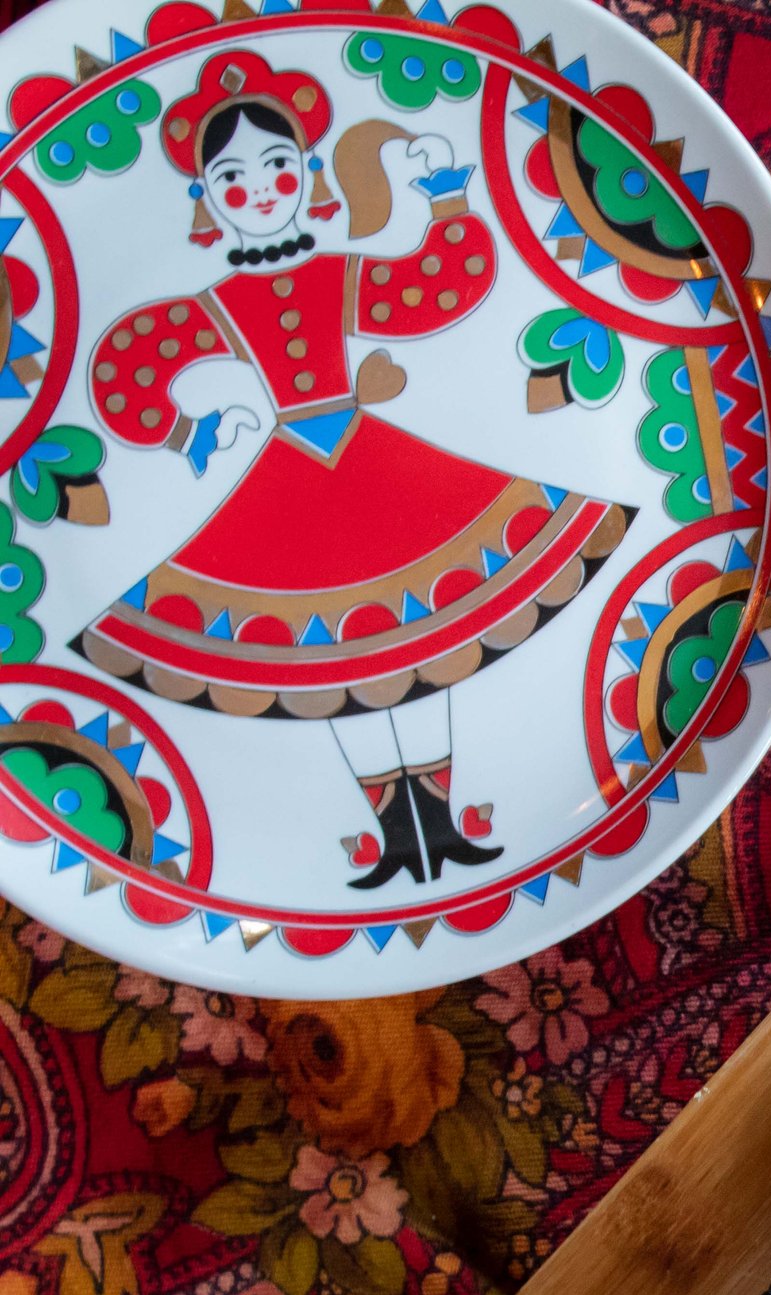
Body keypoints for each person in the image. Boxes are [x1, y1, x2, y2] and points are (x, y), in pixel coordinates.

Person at [79, 49, 633, 888]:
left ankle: (439, 823)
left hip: (372, 466)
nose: (259, 190)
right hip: (289, 480)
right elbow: (129, 369)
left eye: (275, 167)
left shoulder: (334, 272)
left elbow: (435, 287)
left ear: (307, 173)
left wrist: (446, 195)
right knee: (328, 662)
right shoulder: (215, 306)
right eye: (232, 179)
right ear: (205, 201)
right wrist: (193, 430)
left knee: (427, 638)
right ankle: (393, 833)